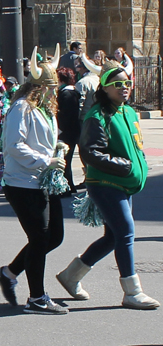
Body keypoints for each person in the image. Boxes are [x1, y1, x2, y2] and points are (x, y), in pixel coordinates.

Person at [57, 59, 159, 310]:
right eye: (117, 84)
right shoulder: (97, 115)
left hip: (123, 183)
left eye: (127, 83)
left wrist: (139, 163)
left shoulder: (128, 112)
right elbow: (90, 152)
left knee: (114, 236)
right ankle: (132, 291)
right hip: (106, 183)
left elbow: (135, 146)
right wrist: (125, 166)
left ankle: (71, 276)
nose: (124, 87)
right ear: (104, 88)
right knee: (125, 232)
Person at [0, 45, 69, 315]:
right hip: (23, 183)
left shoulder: (46, 109)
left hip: (45, 181)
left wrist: (58, 148)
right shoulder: (21, 109)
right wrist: (45, 160)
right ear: (36, 87)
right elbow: (14, 146)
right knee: (40, 238)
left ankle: (9, 272)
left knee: (54, 237)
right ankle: (37, 297)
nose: (54, 91)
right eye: (49, 87)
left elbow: (41, 140)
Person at [57, 66, 81, 193]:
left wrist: (59, 131)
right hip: (72, 132)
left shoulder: (67, 94)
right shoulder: (72, 92)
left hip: (67, 133)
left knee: (64, 161)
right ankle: (69, 185)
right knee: (66, 161)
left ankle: (67, 187)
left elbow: (65, 116)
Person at [75, 54, 100, 123]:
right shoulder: (99, 80)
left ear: (83, 68)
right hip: (98, 118)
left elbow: (78, 105)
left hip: (85, 120)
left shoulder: (82, 83)